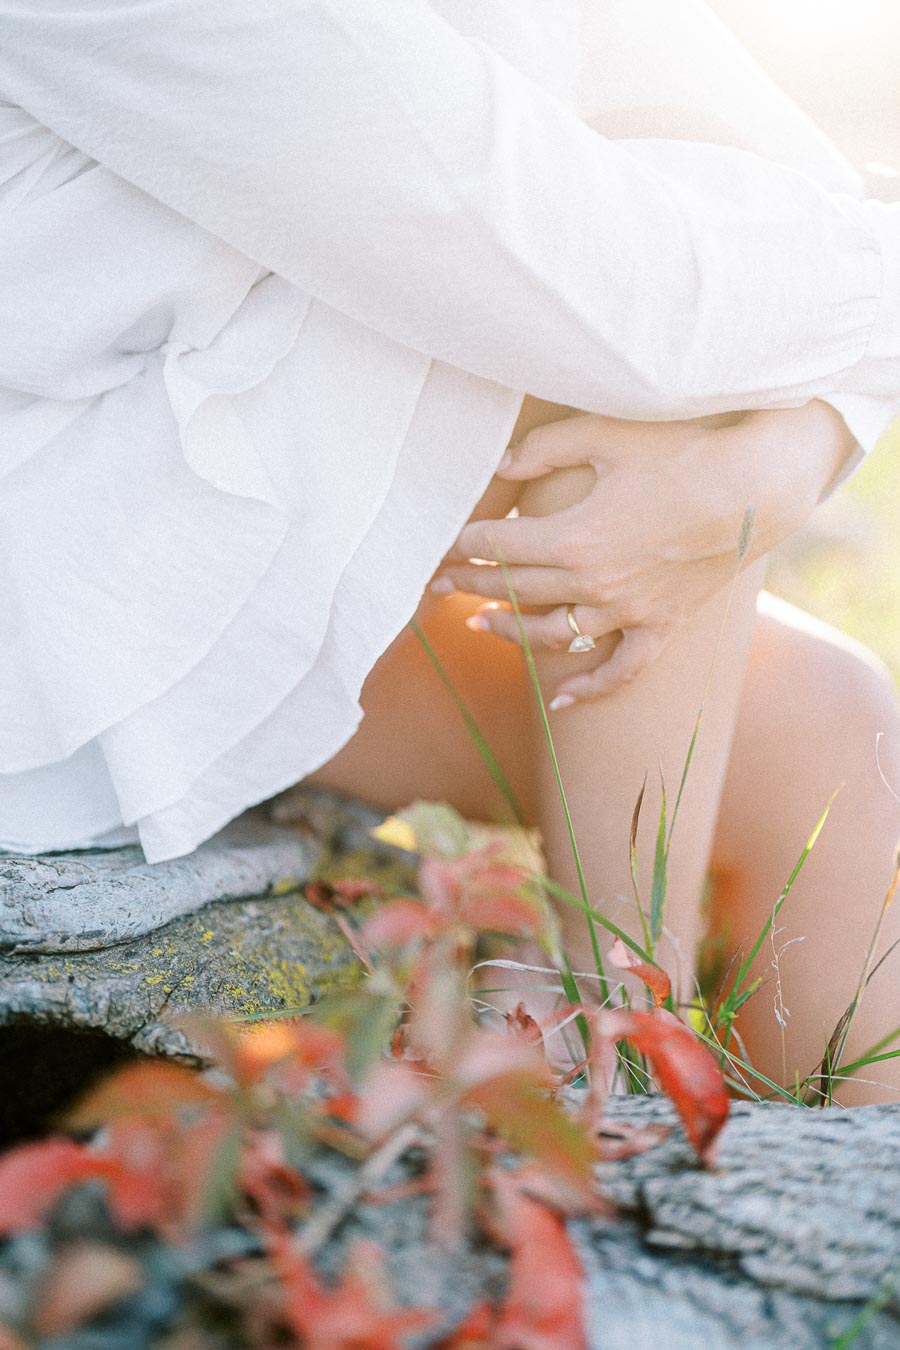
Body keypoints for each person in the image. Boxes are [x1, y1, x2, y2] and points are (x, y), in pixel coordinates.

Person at [0, 0, 898, 1098]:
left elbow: (772, 172)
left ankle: (836, 1232)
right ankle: (609, 1026)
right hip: (49, 548)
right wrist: (763, 443)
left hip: (206, 521)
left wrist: (801, 446)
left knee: (831, 728)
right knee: (668, 367)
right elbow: (642, 302)